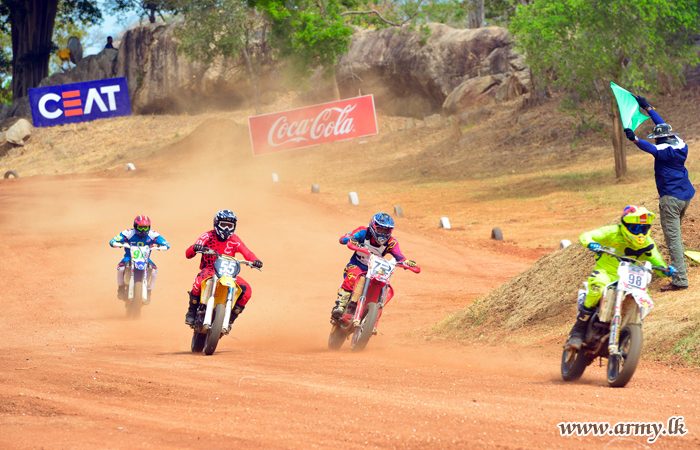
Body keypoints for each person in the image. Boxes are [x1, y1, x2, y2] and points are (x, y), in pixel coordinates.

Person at [565, 205, 676, 350]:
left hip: (630, 277)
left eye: (643, 229)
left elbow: (658, 263)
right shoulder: (612, 232)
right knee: (597, 289)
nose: (640, 233)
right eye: (635, 228)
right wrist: (591, 243)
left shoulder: (648, 244)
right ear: (625, 225)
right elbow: (586, 236)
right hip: (607, 272)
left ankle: (627, 332)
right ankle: (577, 331)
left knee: (644, 302)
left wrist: (667, 271)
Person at [624, 96, 694, 291]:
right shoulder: (680, 144)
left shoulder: (663, 151)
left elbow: (649, 147)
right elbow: (662, 125)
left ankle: (680, 280)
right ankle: (679, 270)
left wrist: (635, 139)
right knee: (676, 236)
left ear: (659, 139)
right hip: (684, 196)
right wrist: (648, 107)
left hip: (671, 199)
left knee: (673, 239)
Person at [331, 212, 418, 319]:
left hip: (376, 271)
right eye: (380, 229)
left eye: (386, 230)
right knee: (353, 276)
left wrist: (406, 262)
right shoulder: (363, 231)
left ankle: (372, 312)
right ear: (373, 226)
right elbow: (344, 238)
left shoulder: (392, 242)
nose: (383, 233)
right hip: (357, 266)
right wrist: (351, 240)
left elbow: (399, 255)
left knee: (382, 284)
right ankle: (340, 306)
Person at [184, 210, 263, 326]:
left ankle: (230, 318)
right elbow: (188, 254)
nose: (226, 229)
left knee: (247, 291)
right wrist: (196, 248)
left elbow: (247, 252)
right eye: (223, 225)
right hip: (209, 269)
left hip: (229, 274)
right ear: (216, 224)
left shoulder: (235, 240)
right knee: (198, 282)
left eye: (229, 226)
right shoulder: (207, 236)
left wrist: (256, 261)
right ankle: (191, 312)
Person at [109, 215, 170, 304]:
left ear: (149, 227)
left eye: (145, 228)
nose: (143, 230)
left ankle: (149, 291)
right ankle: (121, 288)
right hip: (129, 257)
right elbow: (113, 241)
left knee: (154, 270)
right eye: (140, 227)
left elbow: (166, 243)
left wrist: (162, 246)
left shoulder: (153, 234)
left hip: (145, 259)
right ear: (135, 226)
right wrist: (117, 243)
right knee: (121, 267)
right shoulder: (128, 233)